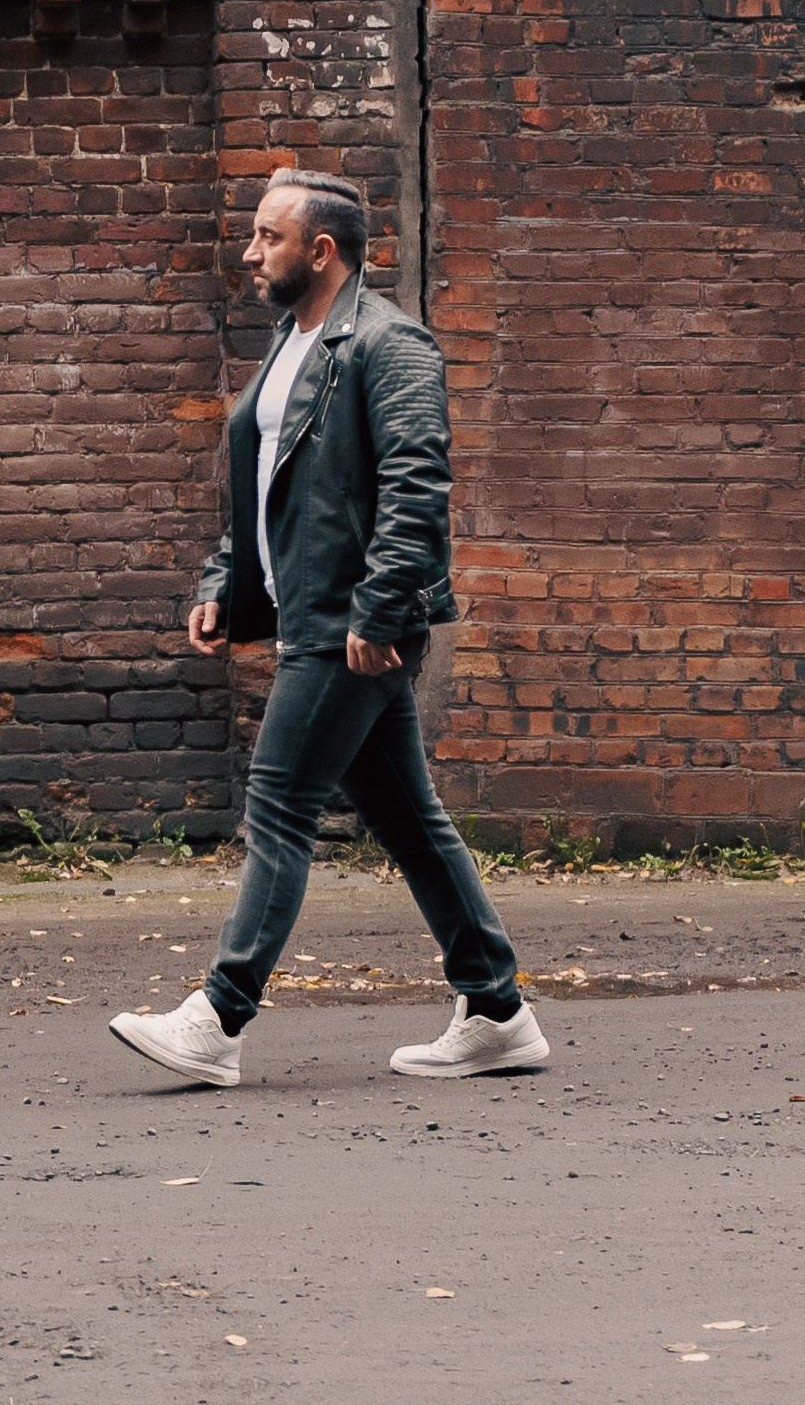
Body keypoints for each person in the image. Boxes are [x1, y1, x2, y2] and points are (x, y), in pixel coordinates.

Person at [110, 171, 548, 1087]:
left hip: (351, 623)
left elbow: (417, 486)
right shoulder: (291, 340)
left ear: (321, 250)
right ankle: (497, 1009)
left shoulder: (390, 346)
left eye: (266, 236)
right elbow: (265, 486)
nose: (248, 251)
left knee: (277, 800)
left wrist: (382, 609)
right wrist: (225, 579)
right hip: (314, 614)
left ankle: (217, 1018)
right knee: (408, 819)